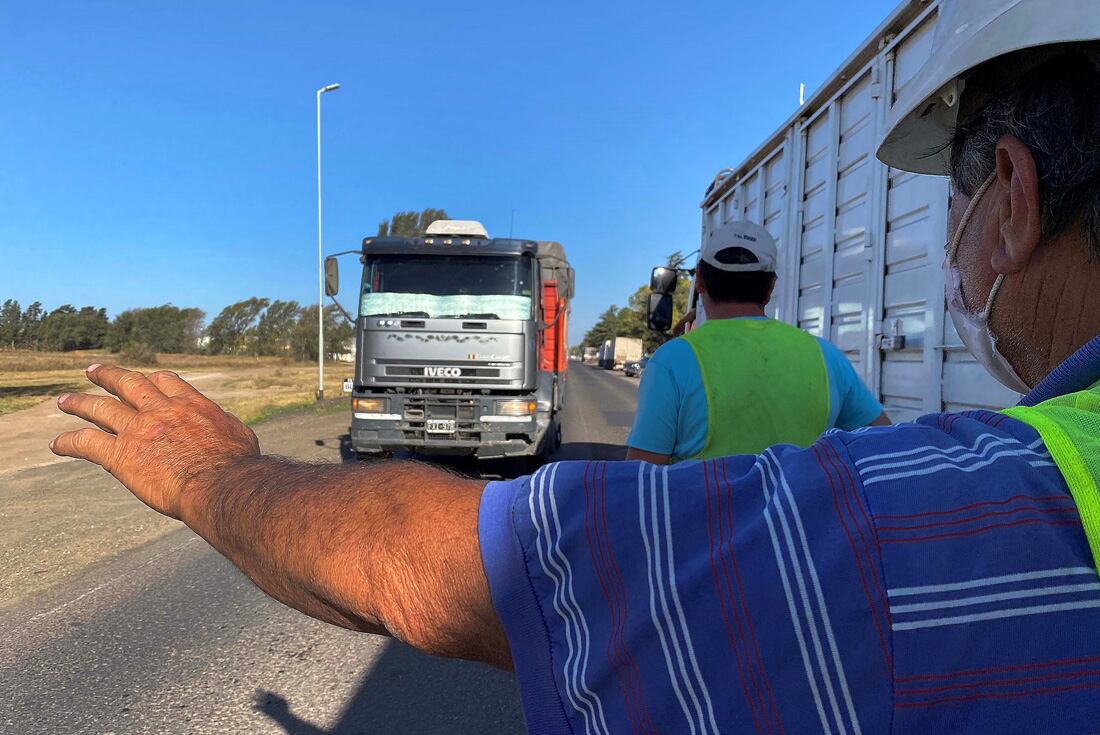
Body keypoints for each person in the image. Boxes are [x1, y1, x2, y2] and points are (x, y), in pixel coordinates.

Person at [48, 1, 1100, 731]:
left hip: (733, 616)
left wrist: (209, 475)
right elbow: (875, 441)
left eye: (947, 201)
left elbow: (460, 563)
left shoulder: (706, 388)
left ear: (1008, 195)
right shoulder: (826, 364)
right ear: (773, 292)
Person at [626, 220, 890, 464]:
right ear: (771, 286)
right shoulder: (826, 356)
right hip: (800, 515)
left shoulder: (672, 360)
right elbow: (886, 444)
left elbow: (641, 481)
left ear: (700, 280)